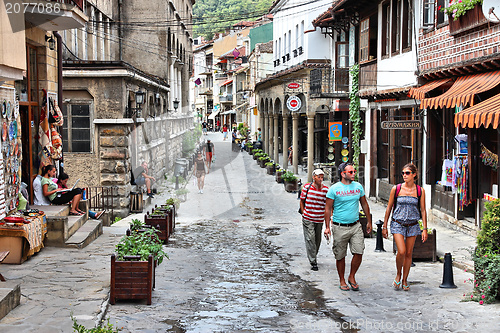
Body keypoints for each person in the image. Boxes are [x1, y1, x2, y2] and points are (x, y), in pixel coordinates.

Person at [324, 162, 372, 291]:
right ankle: (342, 279)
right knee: (340, 255)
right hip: (339, 227)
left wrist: (369, 221)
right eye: (350, 172)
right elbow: (328, 209)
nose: (354, 174)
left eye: (354, 171)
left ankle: (351, 276)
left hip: (355, 225)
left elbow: (364, 204)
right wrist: (327, 226)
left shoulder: (358, 187)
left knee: (359, 251)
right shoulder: (334, 189)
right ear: (342, 174)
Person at [382, 163, 428, 291]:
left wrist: (424, 228)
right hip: (398, 223)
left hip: (413, 224)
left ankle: (405, 279)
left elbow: (423, 210)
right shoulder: (396, 189)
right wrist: (384, 226)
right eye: (403, 173)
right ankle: (398, 274)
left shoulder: (420, 191)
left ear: (414, 175)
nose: (404, 175)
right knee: (401, 251)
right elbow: (389, 207)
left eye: (407, 173)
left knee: (408, 253)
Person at [300, 169, 329, 271]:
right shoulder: (307, 187)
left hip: (319, 219)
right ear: (314, 177)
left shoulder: (326, 190)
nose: (321, 179)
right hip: (308, 218)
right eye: (319, 177)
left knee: (317, 240)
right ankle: (313, 261)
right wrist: (304, 214)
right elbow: (302, 201)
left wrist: (327, 223)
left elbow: (327, 206)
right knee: (310, 238)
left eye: (322, 177)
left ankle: (313, 255)